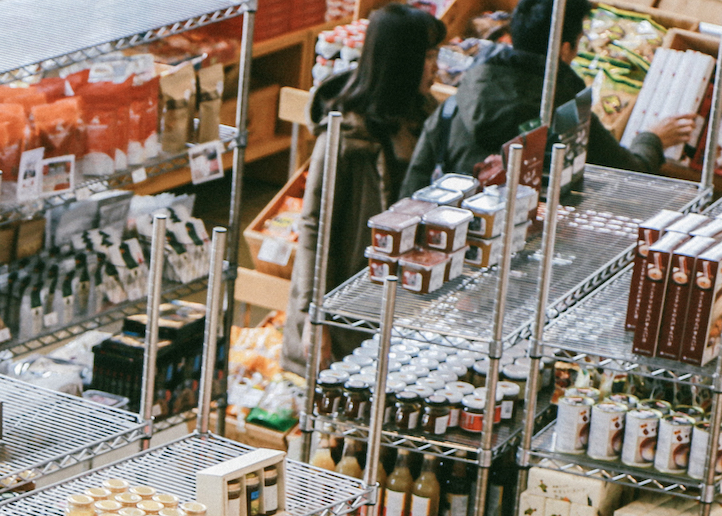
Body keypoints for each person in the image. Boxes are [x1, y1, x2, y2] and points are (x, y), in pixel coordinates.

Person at [282, 2, 447, 376]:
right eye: (429, 56)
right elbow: (314, 227)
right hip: (347, 309)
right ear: (401, 61)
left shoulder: (427, 117)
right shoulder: (345, 134)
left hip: (407, 301)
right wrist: (315, 315)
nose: (436, 67)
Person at [401, 0, 696, 196]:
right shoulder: (567, 118)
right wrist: (653, 139)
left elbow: (413, 186)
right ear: (565, 48)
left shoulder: (457, 101)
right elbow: (629, 173)